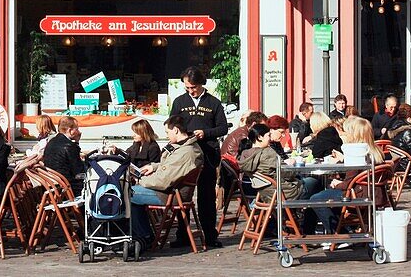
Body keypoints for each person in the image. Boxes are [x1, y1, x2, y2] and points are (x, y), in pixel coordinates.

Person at [168, 66, 228, 248]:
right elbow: (172, 125)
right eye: (187, 88)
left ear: (201, 83)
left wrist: (206, 133)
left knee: (206, 196)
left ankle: (210, 235)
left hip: (207, 154)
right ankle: (183, 235)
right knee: (183, 195)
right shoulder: (179, 102)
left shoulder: (213, 103)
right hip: (186, 155)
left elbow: (223, 128)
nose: (190, 91)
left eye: (193, 87)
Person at [129, 115, 203, 250]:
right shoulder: (183, 147)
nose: (167, 136)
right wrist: (154, 166)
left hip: (171, 195)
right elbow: (169, 167)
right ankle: (144, 235)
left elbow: (163, 181)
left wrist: (140, 180)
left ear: (175, 130)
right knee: (130, 194)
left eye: (167, 132)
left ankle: (144, 237)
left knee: (127, 194)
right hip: (170, 191)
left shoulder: (186, 152)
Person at [308, 116, 387, 236]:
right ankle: (345, 228)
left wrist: (337, 184)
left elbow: (349, 183)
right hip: (376, 193)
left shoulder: (357, 153)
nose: (345, 134)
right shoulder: (375, 150)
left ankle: (338, 233)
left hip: (358, 194)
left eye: (347, 131)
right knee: (327, 193)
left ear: (354, 134)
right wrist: (344, 159)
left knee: (316, 199)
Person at [239, 123, 304, 202]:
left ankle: (294, 213)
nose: (270, 138)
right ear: (259, 137)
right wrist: (293, 166)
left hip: (265, 194)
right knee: (313, 183)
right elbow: (287, 174)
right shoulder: (267, 153)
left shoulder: (246, 155)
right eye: (268, 136)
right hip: (283, 193)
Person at [43, 116, 85, 194]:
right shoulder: (69, 145)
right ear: (70, 130)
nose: (78, 132)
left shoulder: (51, 142)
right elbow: (78, 171)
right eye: (77, 129)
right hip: (69, 186)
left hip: (54, 184)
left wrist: (76, 142)